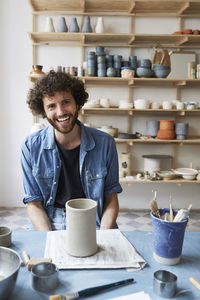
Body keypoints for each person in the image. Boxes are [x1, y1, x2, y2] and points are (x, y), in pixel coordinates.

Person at [21, 70, 122, 231]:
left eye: (66, 102)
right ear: (43, 111)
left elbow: (111, 199)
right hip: (48, 220)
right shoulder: (30, 146)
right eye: (52, 106)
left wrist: (104, 235)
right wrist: (50, 238)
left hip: (93, 218)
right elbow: (34, 204)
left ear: (77, 103)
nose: (61, 112)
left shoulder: (105, 143)